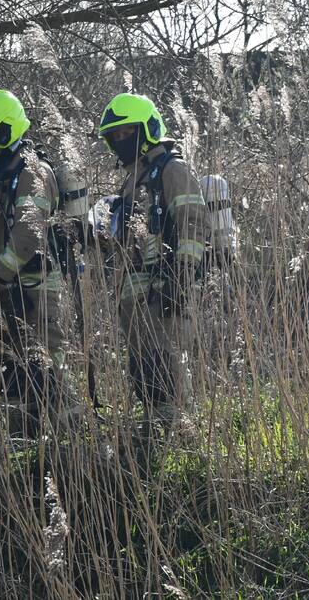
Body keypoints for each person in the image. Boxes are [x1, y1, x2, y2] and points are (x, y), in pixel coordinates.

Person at [0, 89, 77, 437]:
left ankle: (78, 449)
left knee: (48, 370)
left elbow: (28, 235)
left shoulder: (31, 171)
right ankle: (24, 445)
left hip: (34, 288)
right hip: (4, 287)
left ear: (4, 130)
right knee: (8, 371)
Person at [97, 93, 211, 430]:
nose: (120, 141)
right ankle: (154, 428)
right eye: (114, 136)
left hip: (168, 283)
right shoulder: (134, 179)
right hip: (137, 292)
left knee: (168, 360)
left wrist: (181, 276)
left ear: (146, 129)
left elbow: (193, 223)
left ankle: (179, 435)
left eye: (126, 132)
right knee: (142, 365)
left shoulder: (172, 169)